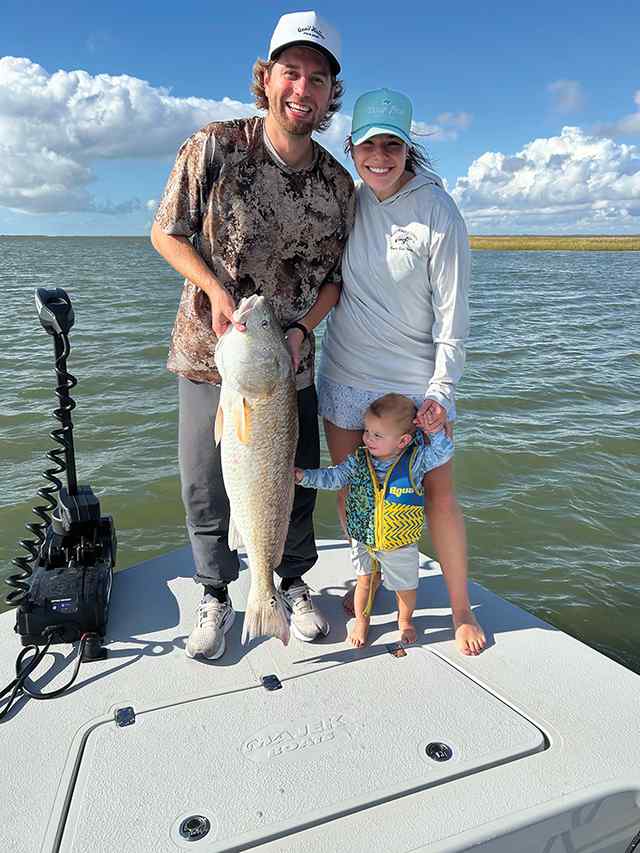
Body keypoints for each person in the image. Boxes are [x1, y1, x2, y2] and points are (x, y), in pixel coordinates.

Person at [151, 11, 355, 660]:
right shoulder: (214, 145)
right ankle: (215, 592)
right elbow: (166, 233)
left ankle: (289, 584)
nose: (303, 89)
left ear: (330, 96)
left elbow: (334, 283)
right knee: (206, 483)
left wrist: (303, 332)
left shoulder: (336, 184)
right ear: (266, 80)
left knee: (293, 480)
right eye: (291, 72)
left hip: (286, 362)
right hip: (208, 356)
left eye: (318, 79)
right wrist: (215, 293)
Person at [317, 88, 486, 656]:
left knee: (437, 495)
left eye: (393, 144)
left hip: (414, 387)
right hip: (344, 375)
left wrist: (442, 390)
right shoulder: (349, 200)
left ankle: (461, 609)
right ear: (352, 147)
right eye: (369, 144)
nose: (380, 156)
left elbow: (453, 316)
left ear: (409, 149)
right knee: (355, 495)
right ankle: (369, 582)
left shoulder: (438, 209)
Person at [295, 394, 454, 648]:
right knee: (364, 582)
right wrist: (304, 477)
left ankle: (404, 621)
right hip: (363, 538)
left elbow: (444, 451)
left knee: (406, 589)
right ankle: (362, 621)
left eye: (377, 435)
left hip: (399, 542)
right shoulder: (358, 460)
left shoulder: (416, 460)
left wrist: (431, 429)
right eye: (367, 431)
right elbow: (333, 478)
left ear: (403, 440)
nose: (368, 438)